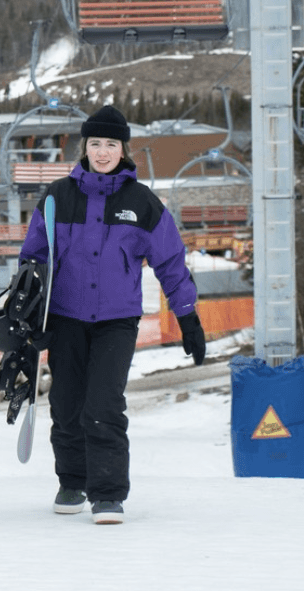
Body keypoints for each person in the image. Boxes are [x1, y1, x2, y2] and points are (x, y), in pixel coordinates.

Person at [19, 105, 206, 525]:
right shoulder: (56, 198)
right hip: (64, 318)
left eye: (111, 144)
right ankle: (72, 482)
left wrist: (188, 316)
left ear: (124, 149)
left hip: (116, 320)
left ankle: (107, 494)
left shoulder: (141, 203)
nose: (102, 152)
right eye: (95, 143)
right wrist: (32, 316)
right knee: (66, 405)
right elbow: (33, 260)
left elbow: (171, 262)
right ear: (84, 146)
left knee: (102, 404)